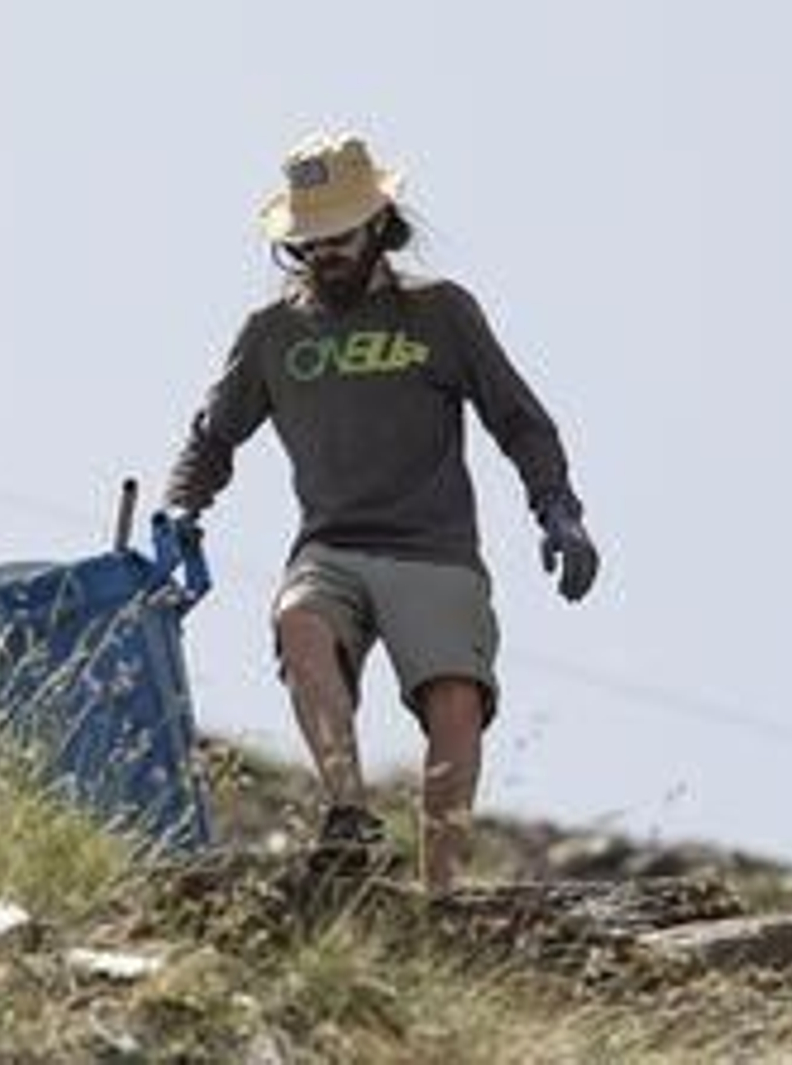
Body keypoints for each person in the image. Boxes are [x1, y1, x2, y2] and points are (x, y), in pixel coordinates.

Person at [164, 131, 598, 893]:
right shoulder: (272, 336)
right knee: (300, 624)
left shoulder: (442, 314)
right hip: (330, 545)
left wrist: (556, 507)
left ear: (379, 227)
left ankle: (442, 895)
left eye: (339, 236)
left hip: (433, 549)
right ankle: (346, 816)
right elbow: (212, 437)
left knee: (455, 703)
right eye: (310, 242)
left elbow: (519, 418)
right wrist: (180, 507)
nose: (325, 253)